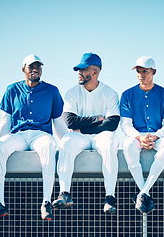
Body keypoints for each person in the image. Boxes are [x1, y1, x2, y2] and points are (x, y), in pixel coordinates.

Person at [0, 54, 67, 221]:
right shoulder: (12, 89)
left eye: (38, 66)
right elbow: (5, 121)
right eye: (31, 66)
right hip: (18, 135)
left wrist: (68, 142)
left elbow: (58, 122)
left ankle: (46, 202)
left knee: (48, 146)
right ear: (23, 69)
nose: (35, 69)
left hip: (41, 135)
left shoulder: (52, 90)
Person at [54, 53, 120, 214]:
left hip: (100, 135)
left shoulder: (110, 93)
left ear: (95, 72)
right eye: (79, 69)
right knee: (66, 142)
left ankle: (110, 197)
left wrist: (83, 126)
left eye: (84, 69)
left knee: (111, 141)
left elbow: (112, 124)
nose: (80, 73)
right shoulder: (72, 92)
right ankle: (64, 193)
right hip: (79, 136)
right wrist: (97, 119)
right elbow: (69, 121)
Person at [120, 56, 164, 214]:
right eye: (138, 71)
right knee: (127, 144)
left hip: (157, 136)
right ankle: (145, 192)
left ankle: (142, 193)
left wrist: (156, 136)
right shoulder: (127, 95)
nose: (141, 74)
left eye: (145, 71)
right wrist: (140, 137)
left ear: (154, 72)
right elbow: (126, 125)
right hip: (137, 136)